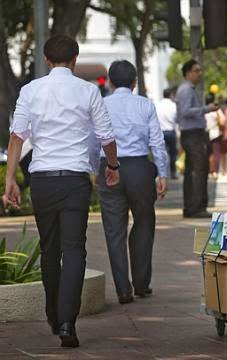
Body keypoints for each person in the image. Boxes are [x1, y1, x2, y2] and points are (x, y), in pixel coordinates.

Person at [3, 34, 120, 348]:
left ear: (46, 59)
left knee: (50, 249)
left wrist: (10, 179)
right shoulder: (88, 91)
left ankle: (53, 313)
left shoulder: (30, 90)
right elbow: (107, 136)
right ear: (75, 59)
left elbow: (17, 137)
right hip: (75, 181)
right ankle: (68, 320)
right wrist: (113, 166)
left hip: (42, 180)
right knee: (74, 249)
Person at [98, 60, 169, 305]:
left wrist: (90, 167)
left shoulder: (101, 104)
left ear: (109, 82)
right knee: (144, 222)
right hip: (140, 168)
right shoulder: (145, 105)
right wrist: (163, 173)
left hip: (108, 166)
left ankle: (122, 288)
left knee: (113, 229)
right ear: (135, 82)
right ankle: (141, 283)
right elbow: (157, 143)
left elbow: (91, 139)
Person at [175, 59, 216, 218]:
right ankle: (196, 207)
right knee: (198, 170)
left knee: (194, 170)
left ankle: (192, 206)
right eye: (196, 70)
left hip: (193, 133)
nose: (200, 73)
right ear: (188, 73)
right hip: (192, 134)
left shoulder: (189, 89)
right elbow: (185, 111)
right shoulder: (186, 90)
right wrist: (207, 109)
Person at [156, 87, 178, 179]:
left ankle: (162, 173)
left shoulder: (157, 105)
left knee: (161, 153)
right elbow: (177, 119)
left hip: (160, 132)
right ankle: (173, 172)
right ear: (171, 95)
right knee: (173, 153)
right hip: (171, 131)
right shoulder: (173, 105)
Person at [205, 94, 226, 178]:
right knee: (216, 153)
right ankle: (215, 172)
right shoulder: (216, 110)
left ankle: (209, 171)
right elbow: (223, 121)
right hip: (215, 133)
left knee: (208, 153)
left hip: (206, 133)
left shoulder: (204, 110)